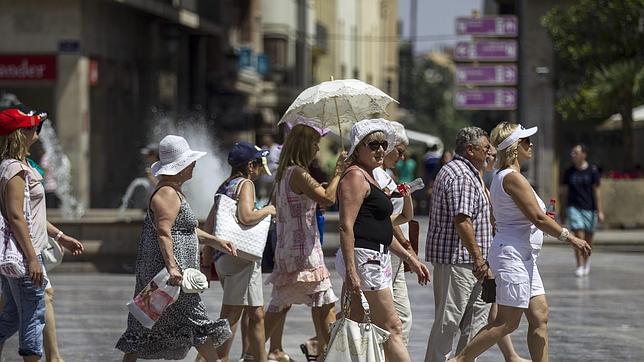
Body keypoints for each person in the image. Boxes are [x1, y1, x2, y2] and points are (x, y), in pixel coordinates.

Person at [450, 123, 591, 362]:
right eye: (526, 141)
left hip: (523, 256)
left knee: (539, 315)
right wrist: (571, 238)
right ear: (514, 148)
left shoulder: (505, 177)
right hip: (512, 257)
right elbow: (536, 217)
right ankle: (459, 360)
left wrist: (540, 222)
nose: (531, 144)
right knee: (507, 321)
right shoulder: (512, 178)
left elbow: (506, 217)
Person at [116, 135, 237, 361]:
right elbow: (164, 232)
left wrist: (214, 241)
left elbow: (185, 229)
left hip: (171, 276)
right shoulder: (167, 194)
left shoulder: (173, 191)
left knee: (145, 322)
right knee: (194, 323)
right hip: (170, 276)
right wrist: (173, 268)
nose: (194, 165)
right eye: (190, 162)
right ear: (180, 167)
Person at [337, 119, 430, 362]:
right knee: (392, 326)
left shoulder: (370, 176)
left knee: (356, 325)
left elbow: (381, 228)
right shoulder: (355, 177)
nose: (380, 149)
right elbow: (346, 226)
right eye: (373, 144)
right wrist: (351, 270)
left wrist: (410, 257)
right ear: (358, 148)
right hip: (365, 258)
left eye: (383, 144)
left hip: (374, 256)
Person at [0, 105, 84, 361]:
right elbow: (15, 216)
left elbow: (32, 215)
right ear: (19, 133)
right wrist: (33, 259)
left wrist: (60, 237)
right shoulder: (14, 169)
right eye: (30, 127)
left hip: (23, 253)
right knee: (33, 317)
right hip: (25, 256)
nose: (36, 129)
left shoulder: (19, 165)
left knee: (14, 315)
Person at [264, 122, 345, 362]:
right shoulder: (298, 173)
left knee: (289, 306)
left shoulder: (285, 173)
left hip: (289, 248)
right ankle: (332, 357)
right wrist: (339, 171)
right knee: (325, 304)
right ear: (303, 145)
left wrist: (313, 195)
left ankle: (251, 353)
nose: (317, 150)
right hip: (305, 252)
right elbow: (329, 199)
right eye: (314, 144)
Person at [200, 141, 275, 362]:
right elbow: (246, 216)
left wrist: (206, 259)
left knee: (257, 314)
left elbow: (209, 223)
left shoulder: (225, 185)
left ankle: (257, 358)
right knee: (229, 318)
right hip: (239, 257)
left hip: (230, 257)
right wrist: (268, 209)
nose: (261, 169)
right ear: (250, 166)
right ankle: (214, 359)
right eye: (259, 164)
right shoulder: (246, 185)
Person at [424, 127, 493, 362]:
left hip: (471, 261)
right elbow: (462, 220)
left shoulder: (468, 172)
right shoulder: (461, 175)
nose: (490, 151)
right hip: (460, 260)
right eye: (486, 148)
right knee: (449, 322)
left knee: (475, 321)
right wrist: (478, 258)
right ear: (471, 150)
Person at [481, 145, 529, 362]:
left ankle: (510, 355)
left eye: (492, 154)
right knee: (503, 317)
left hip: (499, 247)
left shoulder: (492, 179)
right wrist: (566, 235)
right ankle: (461, 358)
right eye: (488, 154)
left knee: (499, 311)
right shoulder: (500, 178)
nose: (490, 157)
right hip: (499, 250)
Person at [371, 121, 415, 345]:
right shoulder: (374, 177)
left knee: (401, 318)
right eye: (399, 151)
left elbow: (402, 216)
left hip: (394, 255)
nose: (401, 157)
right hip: (384, 254)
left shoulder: (385, 175)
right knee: (390, 318)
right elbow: (384, 221)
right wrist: (407, 248)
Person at [561, 144, 603, 277]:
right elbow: (564, 193)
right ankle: (579, 265)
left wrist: (599, 210)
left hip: (590, 209)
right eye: (572, 152)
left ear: (584, 154)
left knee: (589, 239)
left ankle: (586, 262)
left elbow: (596, 191)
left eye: (576, 152)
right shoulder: (569, 172)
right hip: (574, 207)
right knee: (578, 236)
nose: (572, 155)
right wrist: (562, 210)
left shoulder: (592, 171)